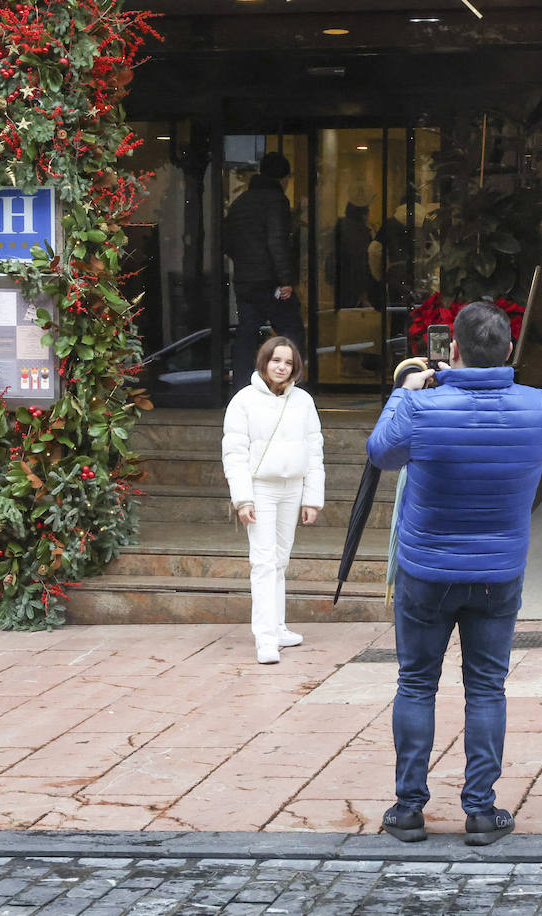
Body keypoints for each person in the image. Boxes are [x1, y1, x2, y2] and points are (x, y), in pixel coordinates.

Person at [366, 301, 542, 845]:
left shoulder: (423, 407)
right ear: (509, 351)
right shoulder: (540, 407)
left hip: (426, 568)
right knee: (487, 687)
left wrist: (408, 389)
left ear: (452, 351)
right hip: (498, 572)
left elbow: (381, 453)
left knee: (416, 683)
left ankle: (408, 809)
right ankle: (481, 809)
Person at [221, 336, 325, 664]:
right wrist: (243, 499)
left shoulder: (303, 401)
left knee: (280, 560)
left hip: (292, 488)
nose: (281, 367)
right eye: (275, 360)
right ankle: (265, 638)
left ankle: (278, 626)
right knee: (263, 562)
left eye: (288, 362)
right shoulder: (244, 401)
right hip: (260, 489)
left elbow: (314, 451)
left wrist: (312, 498)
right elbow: (234, 453)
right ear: (263, 361)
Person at [224, 152, 302, 392]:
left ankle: (241, 388)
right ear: (284, 178)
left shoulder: (241, 202)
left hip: (245, 280)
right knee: (292, 331)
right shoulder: (275, 201)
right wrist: (285, 279)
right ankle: (292, 385)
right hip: (270, 281)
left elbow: (227, 243)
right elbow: (276, 241)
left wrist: (247, 265)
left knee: (246, 334)